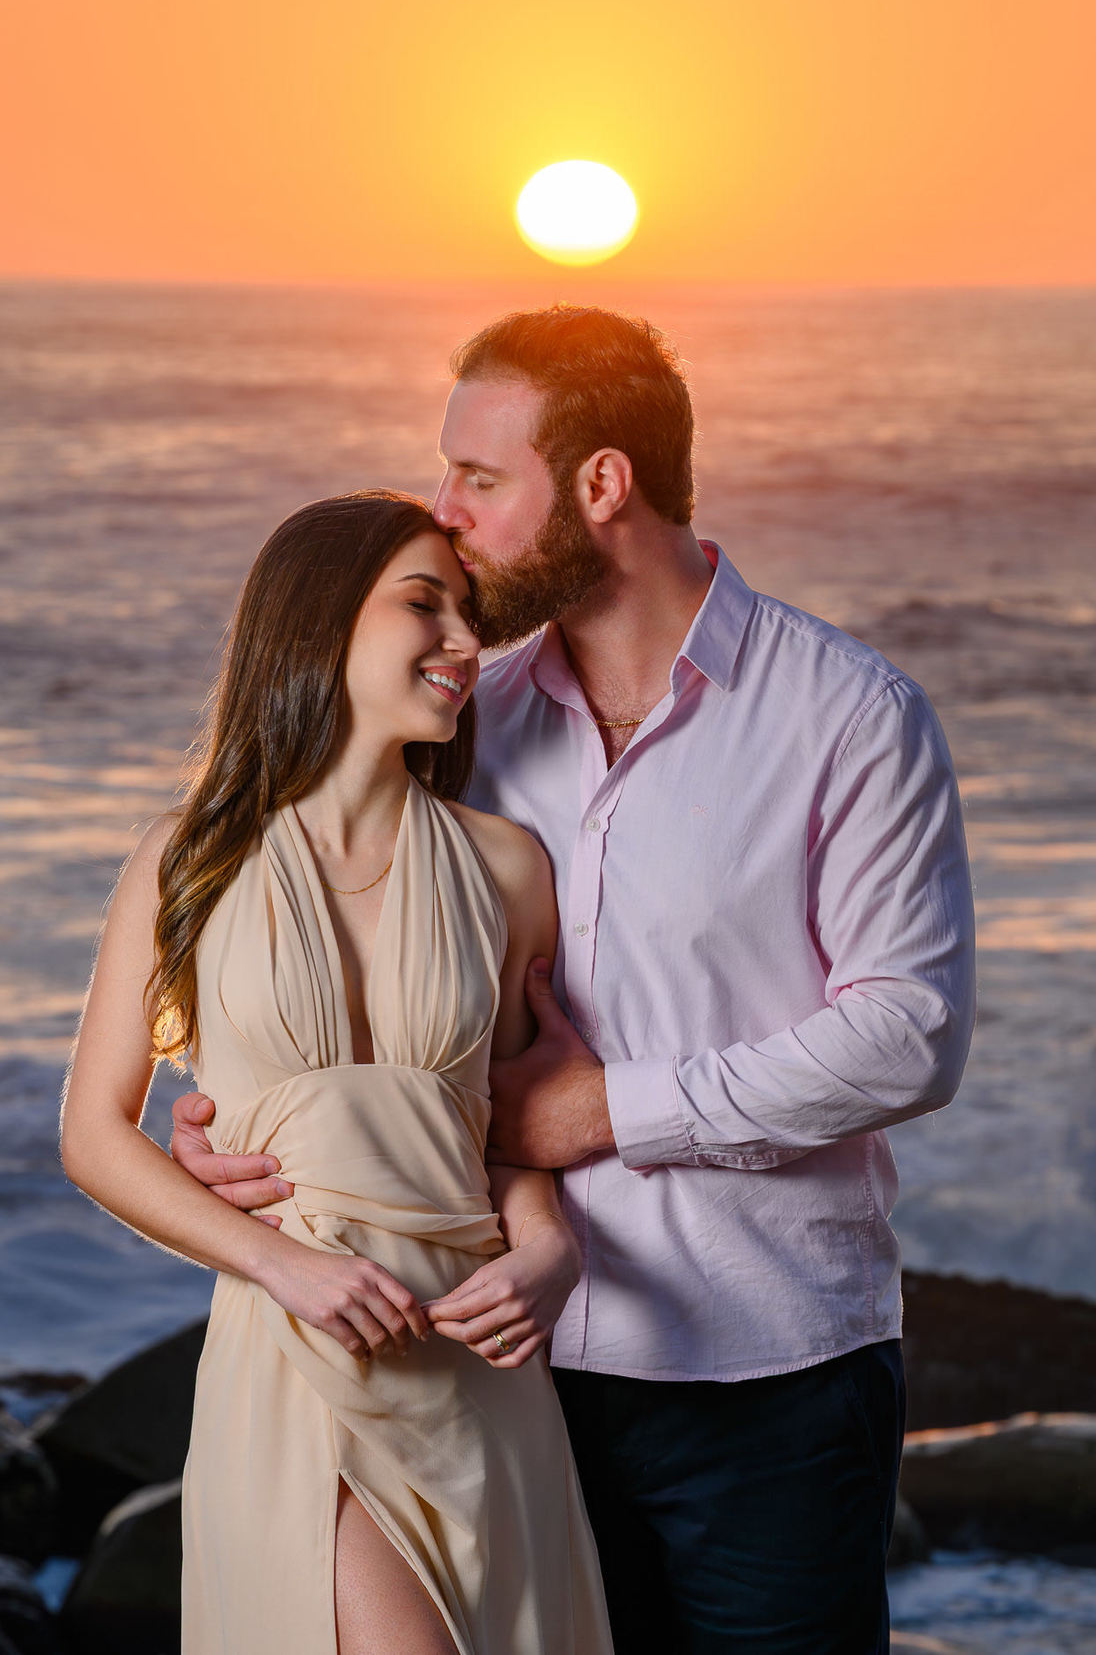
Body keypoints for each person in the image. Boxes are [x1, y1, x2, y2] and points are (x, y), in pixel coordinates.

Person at [173, 307, 977, 1654]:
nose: (448, 514)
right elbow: (342, 939)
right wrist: (243, 1108)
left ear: (601, 484)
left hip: (762, 1369)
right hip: (495, 1373)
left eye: (480, 481)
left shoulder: (850, 713)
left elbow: (912, 1033)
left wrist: (603, 1109)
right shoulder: (458, 717)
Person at [60, 492, 613, 1655]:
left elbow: (509, 1122)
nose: (467, 643)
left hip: (475, 1366)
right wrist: (278, 1263)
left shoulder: (507, 867)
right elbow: (96, 1136)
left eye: (470, 614)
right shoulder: (187, 858)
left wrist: (552, 1243)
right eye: (426, 605)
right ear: (316, 619)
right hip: (297, 1351)